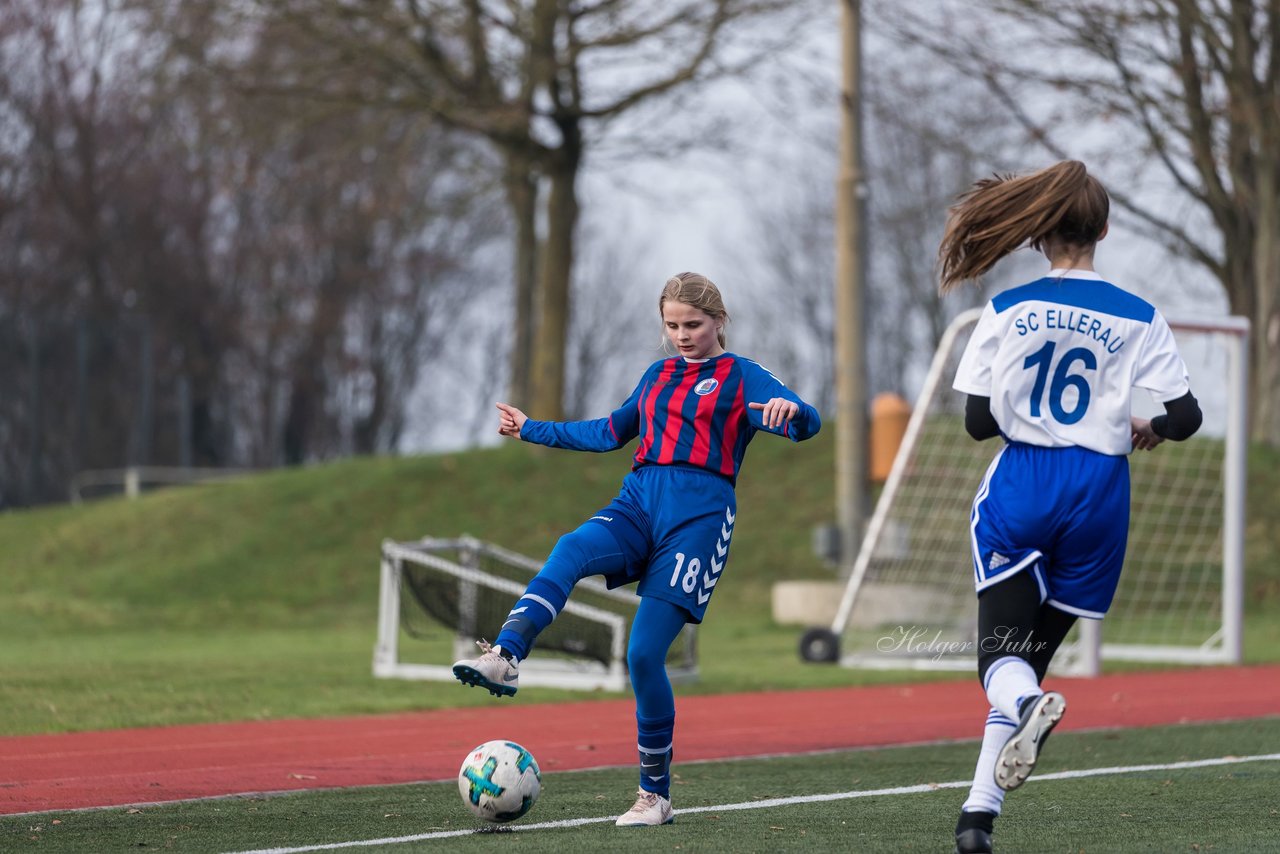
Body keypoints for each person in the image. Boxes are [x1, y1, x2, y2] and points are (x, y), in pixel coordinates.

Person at [452, 272, 821, 827]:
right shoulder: (657, 376)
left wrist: (792, 415)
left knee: (644, 655)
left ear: (719, 320)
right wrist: (533, 430)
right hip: (638, 502)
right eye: (672, 325)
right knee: (571, 547)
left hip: (698, 518)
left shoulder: (743, 376)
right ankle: (505, 657)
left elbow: (806, 420)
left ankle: (655, 796)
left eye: (693, 324)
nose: (682, 334)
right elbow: (608, 431)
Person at [937, 161, 1203, 854]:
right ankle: (977, 818)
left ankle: (1026, 710)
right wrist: (1152, 428)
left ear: (1036, 236)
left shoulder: (1006, 310)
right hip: (1102, 493)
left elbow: (974, 423)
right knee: (1028, 659)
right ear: (1105, 230)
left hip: (1027, 480)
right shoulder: (1140, 314)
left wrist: (1030, 416)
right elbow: (1187, 414)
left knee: (1001, 664)